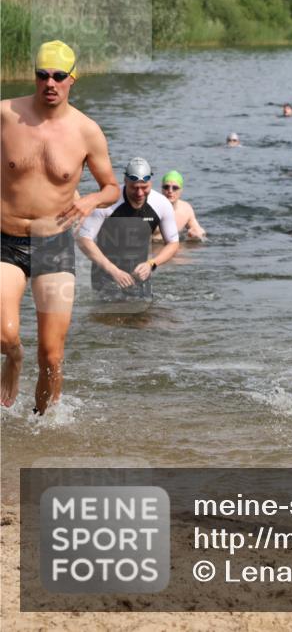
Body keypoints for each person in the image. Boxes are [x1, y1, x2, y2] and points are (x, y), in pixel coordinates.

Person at [1, 40, 120, 415]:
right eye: (42, 75)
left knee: (51, 354)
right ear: (33, 76)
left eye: (58, 76)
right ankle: (14, 358)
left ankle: (44, 429)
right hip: (5, 240)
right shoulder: (5, 115)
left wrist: (87, 202)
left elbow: (112, 188)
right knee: (5, 335)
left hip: (54, 245)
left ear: (72, 79)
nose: (49, 83)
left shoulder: (86, 131)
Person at [76, 158, 180, 302]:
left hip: (140, 275)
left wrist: (151, 264)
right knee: (108, 321)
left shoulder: (161, 204)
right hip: (106, 274)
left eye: (144, 187)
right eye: (134, 187)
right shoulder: (108, 202)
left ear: (151, 182)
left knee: (144, 321)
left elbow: (173, 243)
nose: (139, 193)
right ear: (125, 181)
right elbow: (83, 239)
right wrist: (113, 270)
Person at [156, 171, 205, 241]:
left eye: (175, 188)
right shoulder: (152, 208)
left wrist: (198, 233)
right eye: (166, 187)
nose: (170, 191)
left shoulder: (186, 209)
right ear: (162, 189)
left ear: (181, 190)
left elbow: (197, 230)